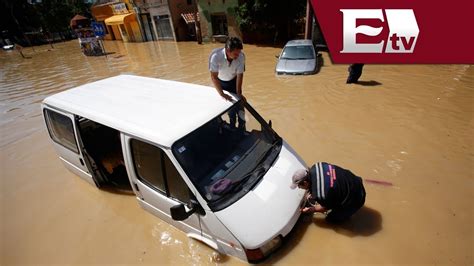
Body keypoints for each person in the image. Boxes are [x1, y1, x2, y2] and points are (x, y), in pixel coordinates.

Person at [290, 162, 366, 223]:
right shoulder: (317, 166)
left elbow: (324, 208)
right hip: (355, 182)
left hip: (357, 199)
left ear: (305, 183)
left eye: (299, 186)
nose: (299, 188)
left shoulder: (321, 194)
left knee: (331, 219)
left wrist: (312, 209)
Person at [209, 37, 246, 129]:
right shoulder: (216, 56)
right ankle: (232, 125)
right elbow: (214, 77)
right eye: (235, 54)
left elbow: (240, 75)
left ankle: (242, 126)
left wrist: (239, 93)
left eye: (239, 53)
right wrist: (222, 93)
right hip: (221, 82)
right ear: (228, 50)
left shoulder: (241, 56)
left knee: (240, 106)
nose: (238, 55)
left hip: (234, 81)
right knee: (231, 108)